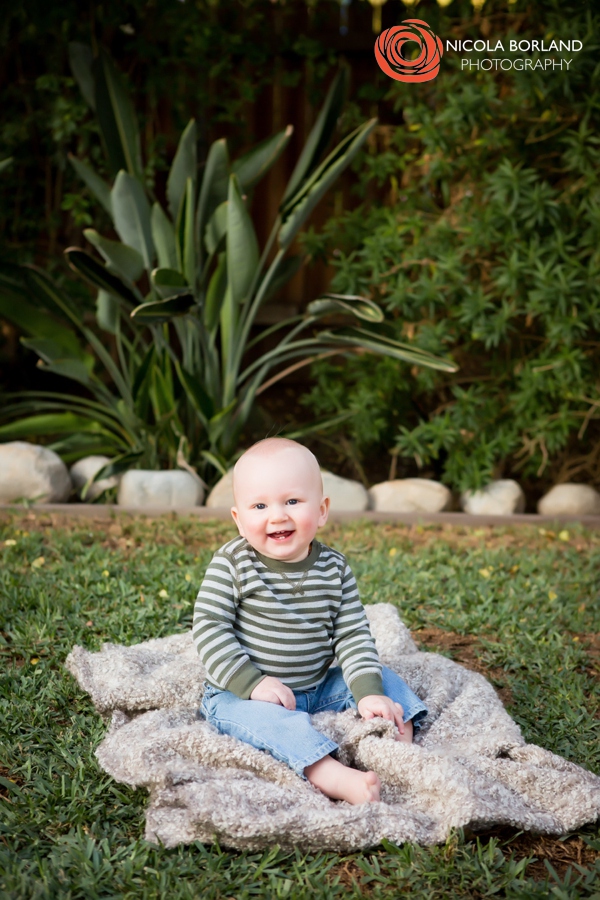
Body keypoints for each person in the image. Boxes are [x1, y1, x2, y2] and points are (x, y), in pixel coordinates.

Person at [193, 438, 427, 804]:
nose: (278, 516)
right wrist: (251, 684)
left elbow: (351, 634)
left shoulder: (334, 568)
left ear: (321, 511)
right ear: (239, 519)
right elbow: (209, 626)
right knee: (267, 724)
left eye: (292, 501)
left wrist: (367, 691)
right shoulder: (232, 563)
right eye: (259, 505)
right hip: (242, 693)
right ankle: (329, 774)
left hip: (317, 688)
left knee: (384, 678)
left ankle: (397, 746)